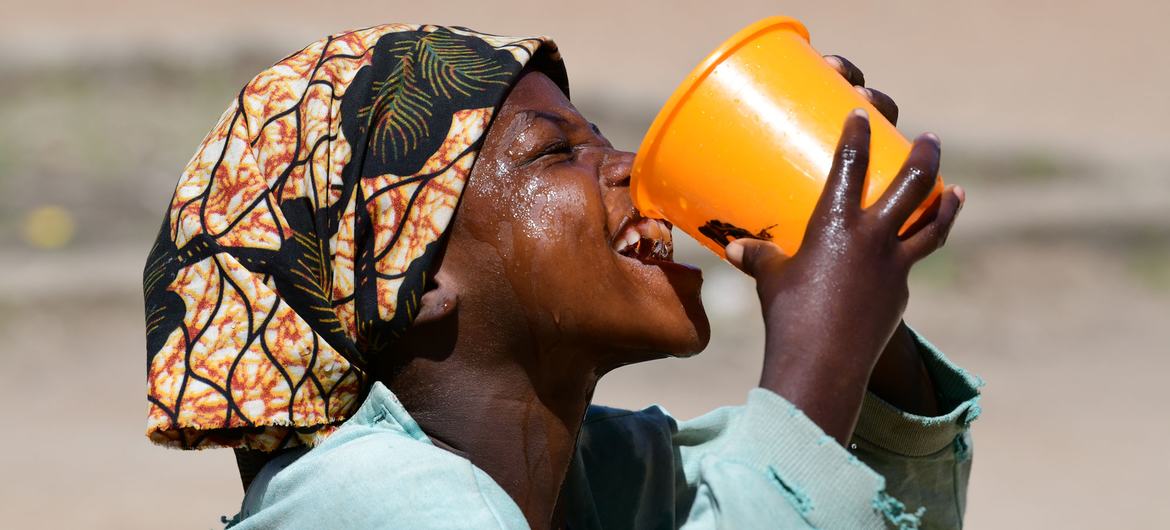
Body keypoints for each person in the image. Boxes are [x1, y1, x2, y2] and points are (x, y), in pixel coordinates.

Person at [143, 23, 980, 529]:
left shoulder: (599, 482)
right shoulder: (364, 501)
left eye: (601, 139)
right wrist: (816, 355)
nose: (628, 168)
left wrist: (853, 290)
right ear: (418, 278)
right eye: (556, 154)